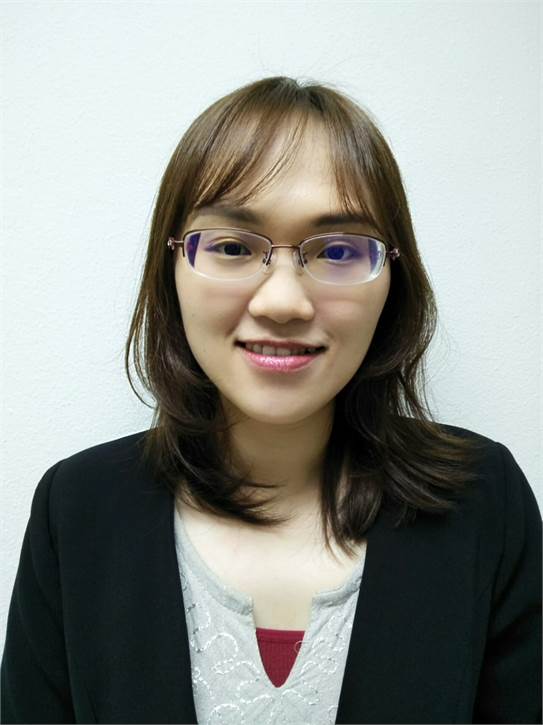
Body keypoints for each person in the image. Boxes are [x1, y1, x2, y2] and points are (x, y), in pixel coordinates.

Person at [1, 76, 541, 725]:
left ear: (393, 282)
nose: (282, 301)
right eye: (232, 247)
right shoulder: (77, 509)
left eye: (337, 250)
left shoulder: (483, 501)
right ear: (170, 270)